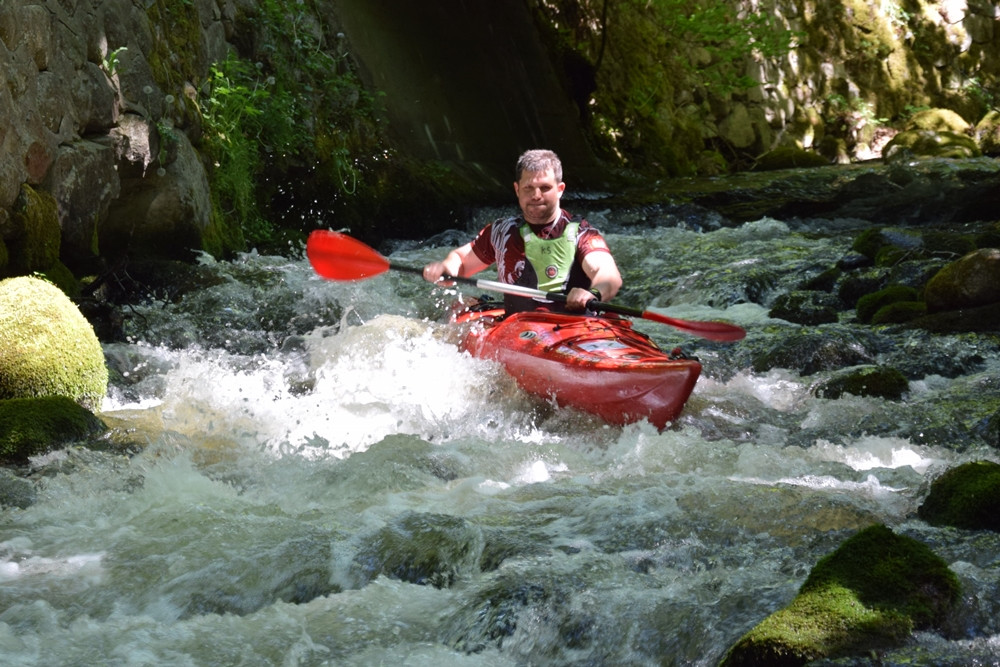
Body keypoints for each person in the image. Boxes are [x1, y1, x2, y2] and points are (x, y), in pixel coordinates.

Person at [422, 149, 622, 313]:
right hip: (519, 331)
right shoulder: (502, 231)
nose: (536, 195)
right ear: (517, 189)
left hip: (571, 330)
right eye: (528, 188)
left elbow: (608, 275)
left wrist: (593, 293)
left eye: (545, 188)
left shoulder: (581, 232)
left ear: (560, 189)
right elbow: (461, 260)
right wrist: (446, 269)